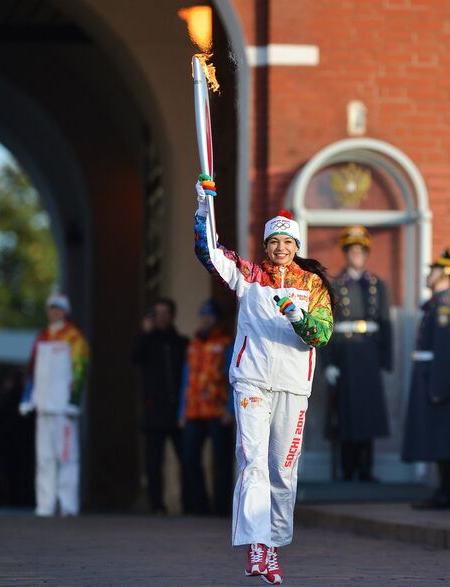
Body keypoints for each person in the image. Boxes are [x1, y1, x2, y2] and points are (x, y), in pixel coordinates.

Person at [194, 174, 333, 584]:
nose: (281, 248)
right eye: (274, 241)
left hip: (293, 387)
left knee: (282, 470)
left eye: (288, 242)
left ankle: (273, 545)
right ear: (266, 245)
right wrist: (204, 207)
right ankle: (256, 546)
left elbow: (321, 334)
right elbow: (209, 252)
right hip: (251, 381)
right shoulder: (248, 274)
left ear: (297, 247)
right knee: (252, 461)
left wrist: (297, 315)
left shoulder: (314, 286)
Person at [402, 248, 450, 510]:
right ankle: (443, 491)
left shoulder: (444, 307)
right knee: (439, 437)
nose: (428, 274)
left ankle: (447, 494)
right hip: (430, 376)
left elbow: (443, 351)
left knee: (445, 439)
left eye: (433, 270)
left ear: (444, 274)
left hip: (438, 378)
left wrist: (438, 387)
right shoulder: (435, 305)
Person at [324, 226, 392, 482]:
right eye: (353, 251)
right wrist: (328, 363)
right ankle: (347, 469)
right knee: (346, 415)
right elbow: (327, 326)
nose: (357, 255)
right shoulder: (336, 285)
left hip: (369, 354)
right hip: (345, 356)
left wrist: (386, 359)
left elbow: (386, 324)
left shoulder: (377, 285)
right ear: (346, 254)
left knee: (369, 414)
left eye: (361, 251)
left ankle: (366, 469)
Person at [18, 293, 89, 516]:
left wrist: (74, 401)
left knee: (67, 457)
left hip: (63, 409)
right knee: (45, 459)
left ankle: (68, 505)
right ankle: (45, 505)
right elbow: (31, 370)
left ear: (65, 311)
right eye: (51, 308)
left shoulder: (74, 337)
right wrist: (27, 397)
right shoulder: (42, 338)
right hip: (43, 407)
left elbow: (80, 371)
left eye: (58, 308)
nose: (54, 312)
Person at [132, 297, 189, 514]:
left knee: (186, 460)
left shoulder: (181, 343)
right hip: (154, 411)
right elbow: (134, 357)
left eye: (166, 313)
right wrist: (145, 333)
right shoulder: (147, 341)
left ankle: (188, 503)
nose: (162, 317)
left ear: (172, 315)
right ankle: (156, 505)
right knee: (153, 463)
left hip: (177, 413)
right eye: (158, 313)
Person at [178, 299, 234, 516]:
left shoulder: (226, 343)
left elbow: (232, 377)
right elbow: (186, 378)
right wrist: (181, 412)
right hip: (193, 410)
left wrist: (230, 410)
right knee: (189, 458)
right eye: (203, 315)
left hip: (218, 411)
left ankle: (221, 508)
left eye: (209, 316)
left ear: (216, 319)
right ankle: (200, 506)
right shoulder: (193, 344)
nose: (205, 319)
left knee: (221, 462)